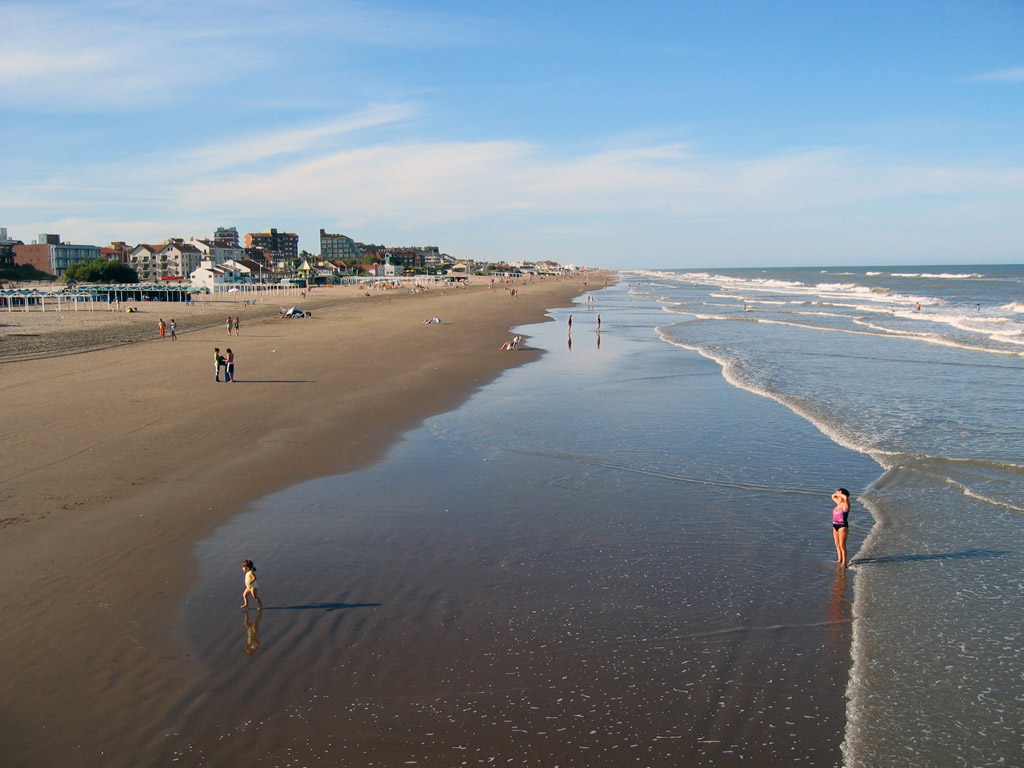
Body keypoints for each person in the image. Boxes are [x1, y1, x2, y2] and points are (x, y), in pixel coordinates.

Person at [831, 488, 851, 568]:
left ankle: (844, 562)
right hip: (835, 525)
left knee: (842, 545)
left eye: (839, 493)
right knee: (837, 544)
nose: (837, 494)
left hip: (842, 526)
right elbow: (832, 496)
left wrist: (840, 494)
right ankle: (839, 559)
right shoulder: (838, 503)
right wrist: (837, 494)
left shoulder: (846, 504)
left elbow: (846, 498)